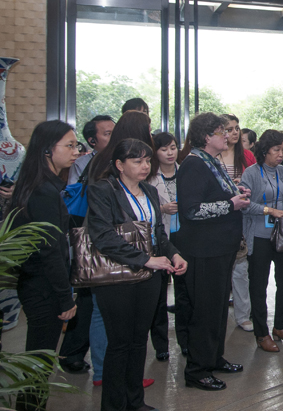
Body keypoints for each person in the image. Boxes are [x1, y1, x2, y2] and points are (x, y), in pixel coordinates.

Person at [86, 138, 187, 411]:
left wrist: (174, 253)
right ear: (119, 165)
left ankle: (135, 401)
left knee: (139, 340)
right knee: (120, 343)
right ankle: (113, 405)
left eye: (147, 160)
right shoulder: (103, 190)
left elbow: (158, 232)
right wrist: (146, 260)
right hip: (117, 277)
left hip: (149, 276)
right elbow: (103, 237)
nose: (145, 166)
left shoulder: (149, 191)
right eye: (137, 161)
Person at [176, 112, 250, 391]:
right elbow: (192, 210)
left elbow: (215, 194)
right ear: (207, 137)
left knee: (218, 309)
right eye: (222, 132)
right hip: (204, 250)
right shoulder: (194, 164)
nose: (228, 136)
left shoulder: (211, 161)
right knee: (205, 311)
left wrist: (236, 193)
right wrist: (231, 204)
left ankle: (213, 358)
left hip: (220, 248)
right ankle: (197, 370)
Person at [10, 120, 79, 411]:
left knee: (38, 359)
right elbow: (50, 250)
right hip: (43, 285)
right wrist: (65, 297)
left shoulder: (42, 185)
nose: (76, 151)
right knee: (39, 361)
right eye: (70, 145)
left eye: (76, 145)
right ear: (47, 150)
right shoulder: (43, 191)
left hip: (37, 282)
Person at [58, 114, 115, 375]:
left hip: (99, 236)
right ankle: (72, 354)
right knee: (87, 299)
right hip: (86, 236)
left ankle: (78, 353)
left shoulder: (115, 160)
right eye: (107, 133)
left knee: (93, 301)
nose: (112, 137)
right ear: (92, 140)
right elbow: (75, 199)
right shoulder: (83, 163)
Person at [239, 129, 283, 352]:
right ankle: (262, 333)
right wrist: (268, 210)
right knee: (259, 285)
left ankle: (281, 326)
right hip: (259, 236)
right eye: (276, 150)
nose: (281, 154)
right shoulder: (251, 173)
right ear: (264, 151)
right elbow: (244, 204)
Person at [146, 131, 181, 361]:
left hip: (184, 236)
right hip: (161, 239)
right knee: (159, 296)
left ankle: (185, 340)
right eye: (164, 149)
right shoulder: (149, 176)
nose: (170, 153)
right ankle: (161, 345)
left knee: (185, 293)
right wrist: (162, 209)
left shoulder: (186, 171)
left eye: (173, 147)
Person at [219, 114, 255, 331]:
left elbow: (256, 183)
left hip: (243, 217)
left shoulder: (247, 155)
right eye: (229, 129)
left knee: (241, 269)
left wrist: (243, 184)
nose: (234, 132)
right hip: (219, 218)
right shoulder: (212, 156)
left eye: (236, 128)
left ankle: (243, 315)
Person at [68, 115, 115, 186]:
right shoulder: (81, 164)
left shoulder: (124, 159)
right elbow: (73, 190)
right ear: (92, 141)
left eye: (115, 133)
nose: (114, 137)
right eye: (108, 134)